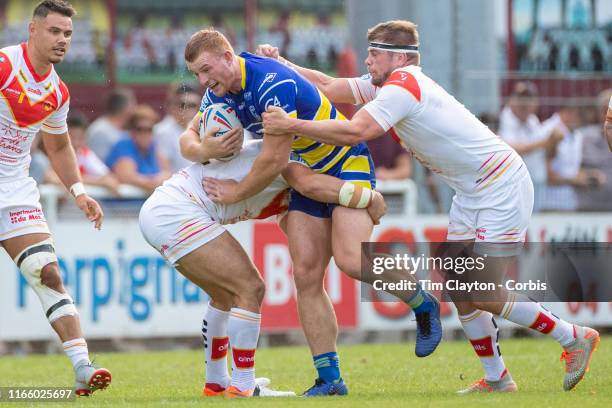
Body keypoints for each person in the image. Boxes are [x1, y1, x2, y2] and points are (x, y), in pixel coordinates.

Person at [259, 19, 600, 392]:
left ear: (399, 58)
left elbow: (356, 131)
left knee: (483, 289)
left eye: (375, 53)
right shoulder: (389, 85)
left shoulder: (401, 87)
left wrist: (290, 125)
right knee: (457, 282)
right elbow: (325, 85)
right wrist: (282, 65)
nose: (368, 60)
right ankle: (497, 378)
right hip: (472, 190)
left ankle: (573, 336)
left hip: (501, 184)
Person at [180, 29, 442, 396]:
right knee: (305, 275)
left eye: (206, 70)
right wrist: (202, 147)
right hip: (305, 174)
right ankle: (330, 379)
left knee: (351, 261)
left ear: (227, 55)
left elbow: (273, 159)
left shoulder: (269, 82)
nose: (203, 81)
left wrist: (235, 192)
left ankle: (420, 300)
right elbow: (186, 141)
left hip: (344, 163)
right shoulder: (219, 92)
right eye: (196, 74)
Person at [139, 136, 385, 398]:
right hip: (178, 212)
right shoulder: (293, 158)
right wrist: (370, 197)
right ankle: (244, 385)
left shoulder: (287, 171)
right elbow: (309, 184)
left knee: (225, 295)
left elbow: (302, 234)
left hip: (162, 210)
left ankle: (217, 382)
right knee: (251, 288)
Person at [0, 0, 110, 395]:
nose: (62, 40)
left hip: (14, 190)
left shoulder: (57, 91)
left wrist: (79, 192)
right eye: (54, 31)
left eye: (67, 34)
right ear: (32, 29)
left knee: (48, 273)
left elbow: (60, 148)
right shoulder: (3, 65)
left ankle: (82, 367)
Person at [498, 81, 562, 212]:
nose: (525, 103)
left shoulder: (533, 120)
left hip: (534, 186)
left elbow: (545, 153)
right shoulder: (505, 118)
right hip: (511, 189)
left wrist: (554, 141)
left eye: (529, 98)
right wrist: (546, 142)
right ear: (511, 100)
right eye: (521, 98)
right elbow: (513, 149)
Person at [540, 103, 605, 211]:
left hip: (570, 203)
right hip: (549, 204)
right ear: (570, 113)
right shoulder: (548, 131)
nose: (585, 124)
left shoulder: (577, 135)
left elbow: (571, 170)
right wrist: (577, 181)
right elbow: (548, 177)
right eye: (582, 119)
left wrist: (588, 176)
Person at [106, 104, 171, 193]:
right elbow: (126, 176)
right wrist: (152, 182)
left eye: (149, 129)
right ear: (131, 130)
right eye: (139, 129)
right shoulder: (124, 145)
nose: (144, 133)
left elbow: (168, 172)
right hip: (121, 203)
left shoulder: (153, 146)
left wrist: (158, 180)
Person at [67, 113, 120, 194]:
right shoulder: (54, 151)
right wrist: (99, 182)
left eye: (80, 138)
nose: (76, 143)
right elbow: (55, 178)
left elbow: (109, 179)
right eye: (72, 137)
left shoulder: (85, 154)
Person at [153, 83, 200, 172]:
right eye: (183, 105)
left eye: (193, 105)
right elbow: (165, 169)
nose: (188, 109)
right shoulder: (162, 131)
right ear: (173, 106)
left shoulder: (200, 128)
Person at [86, 87, 136, 162]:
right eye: (133, 105)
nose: (135, 109)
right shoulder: (101, 131)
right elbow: (99, 163)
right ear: (126, 108)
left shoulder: (120, 129)